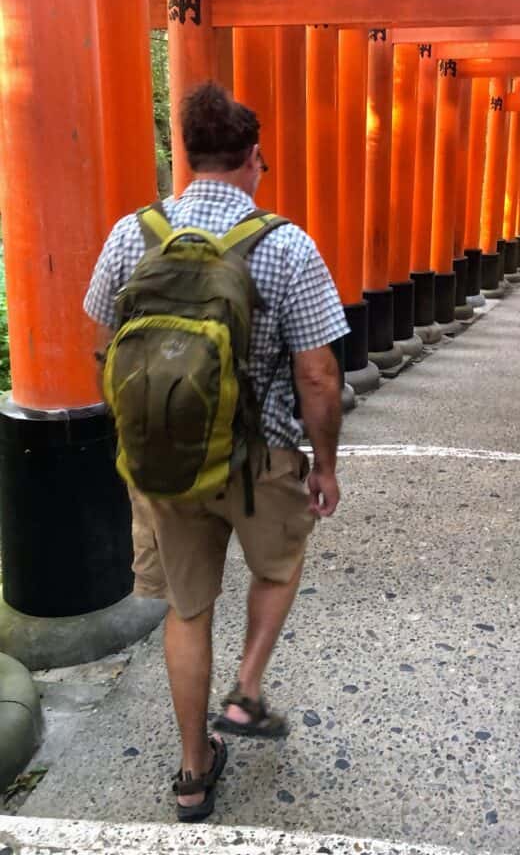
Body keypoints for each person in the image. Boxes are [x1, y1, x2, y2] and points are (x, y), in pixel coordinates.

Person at [84, 81, 348, 820]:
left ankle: (194, 772)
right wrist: (325, 465)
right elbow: (318, 375)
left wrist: (149, 426)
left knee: (187, 610)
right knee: (279, 567)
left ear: (186, 156)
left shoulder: (132, 234)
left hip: (170, 462)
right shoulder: (286, 244)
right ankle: (248, 688)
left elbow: (102, 345)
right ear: (254, 158)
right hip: (262, 458)